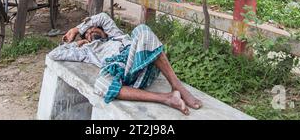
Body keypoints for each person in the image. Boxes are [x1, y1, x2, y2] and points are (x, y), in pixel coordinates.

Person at [48, 12, 202, 115]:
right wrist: (78, 43)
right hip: (127, 75)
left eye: (91, 29)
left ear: (103, 30)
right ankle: (168, 98)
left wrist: (77, 29)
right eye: (86, 34)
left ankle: (177, 85)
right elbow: (55, 54)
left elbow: (102, 16)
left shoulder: (116, 35)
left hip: (143, 62)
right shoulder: (88, 50)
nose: (89, 33)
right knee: (100, 85)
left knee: (143, 30)